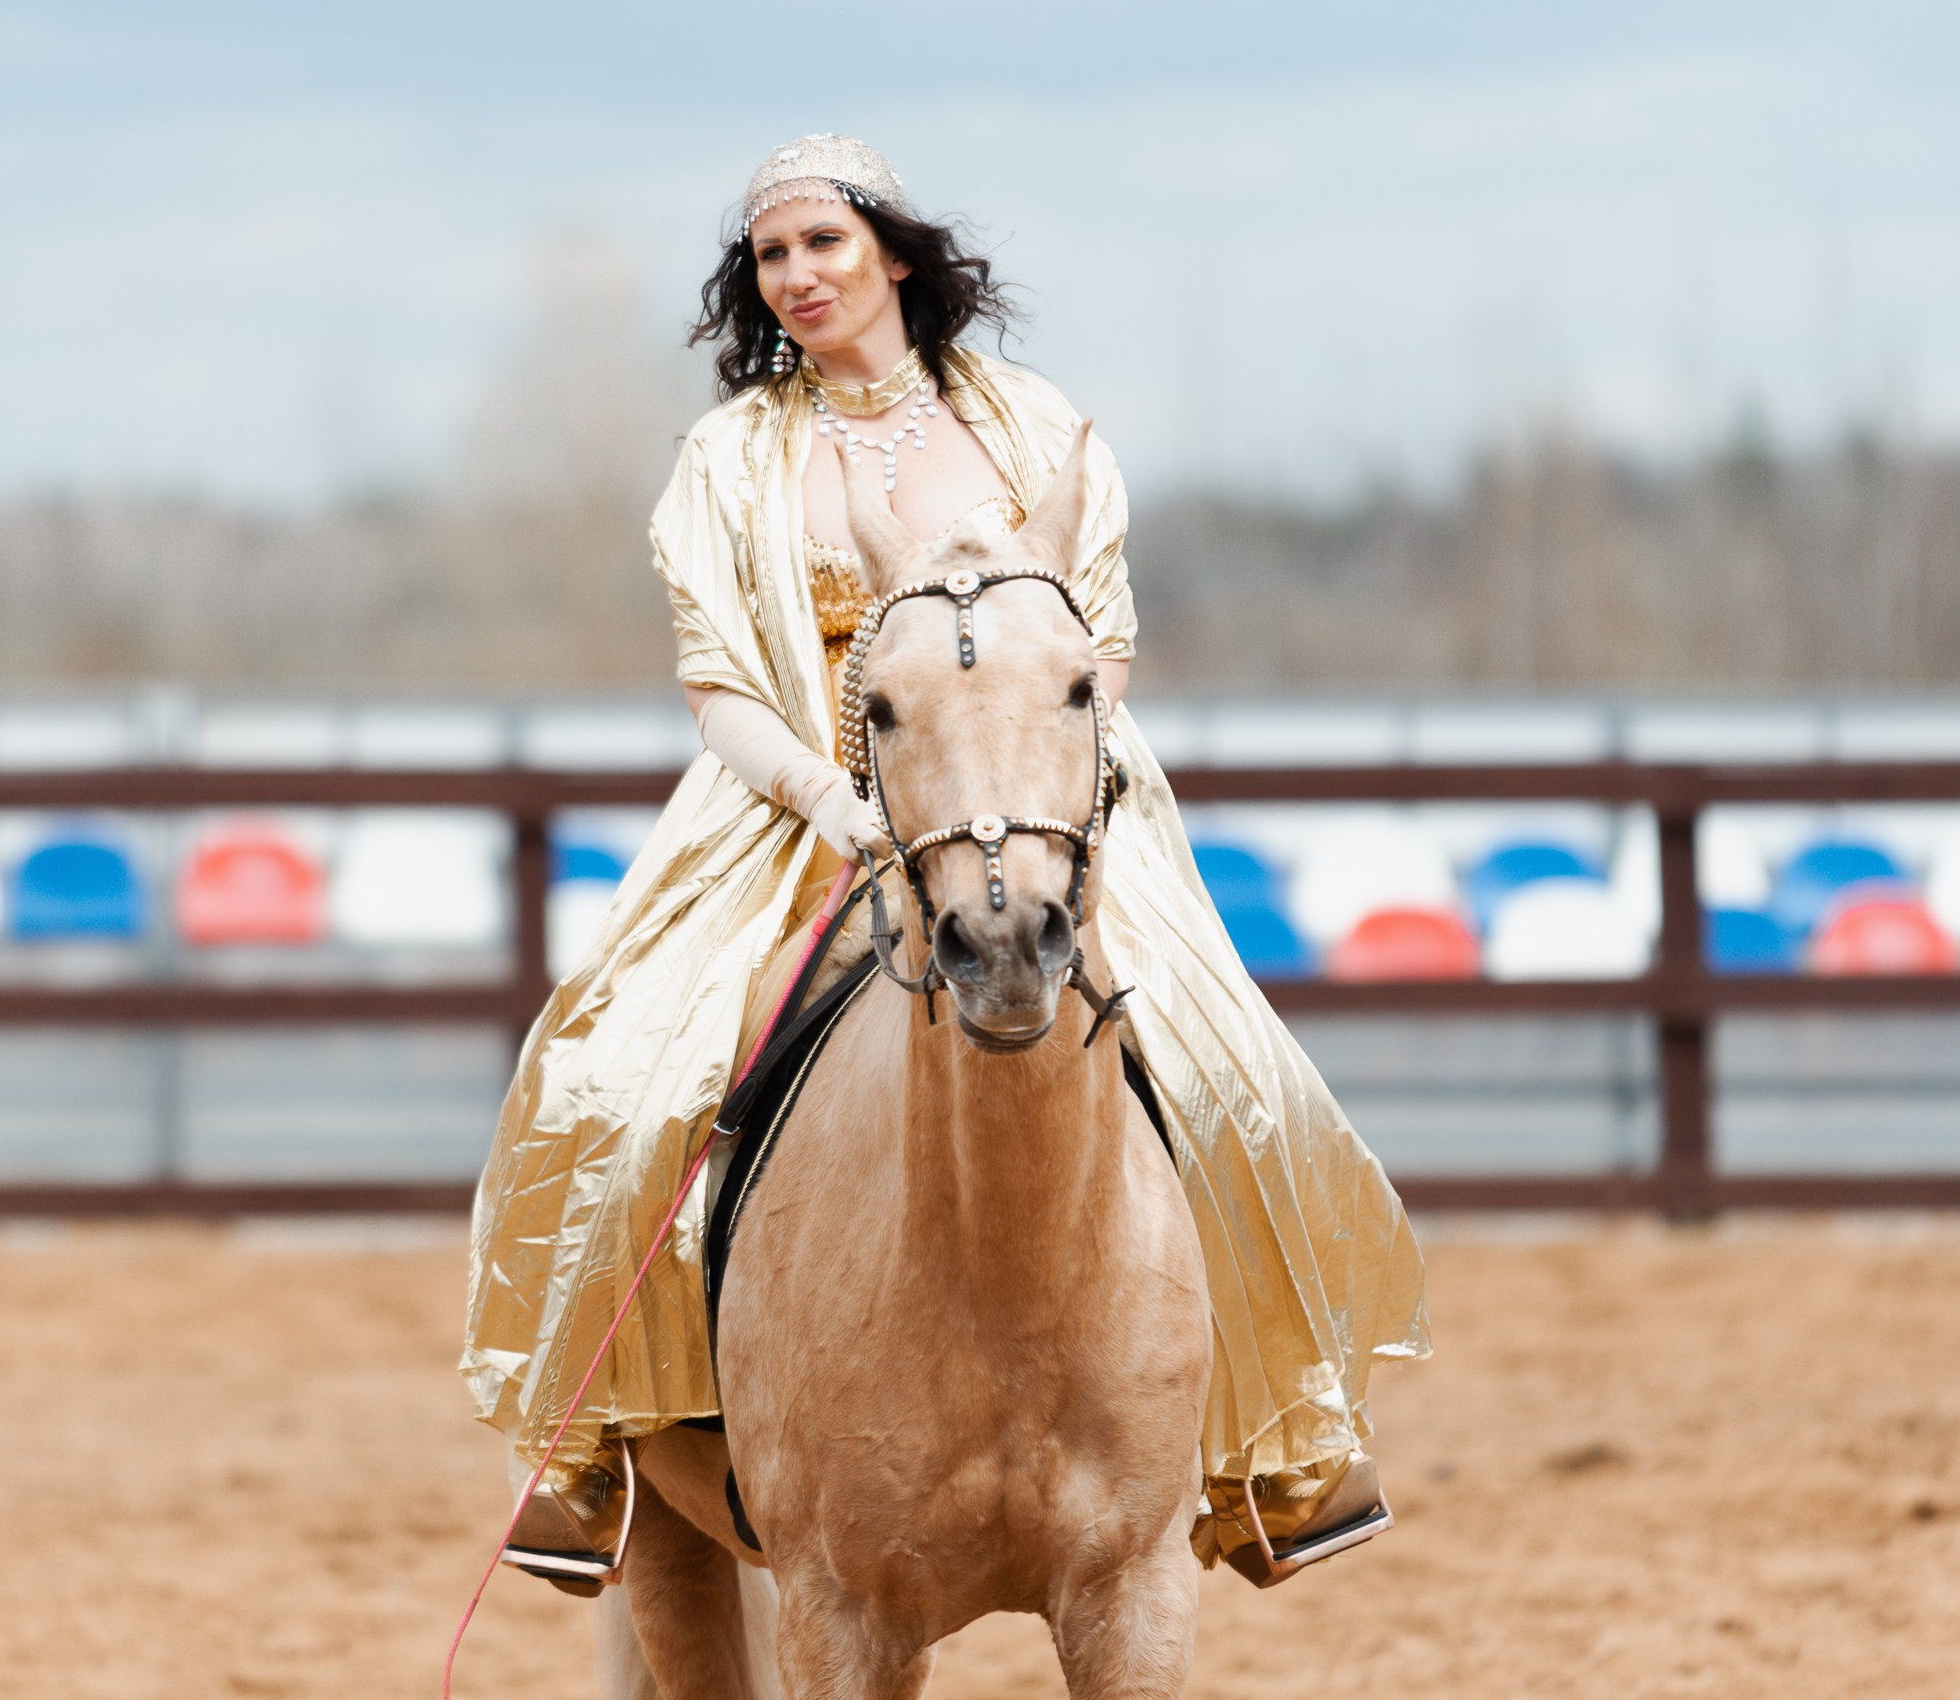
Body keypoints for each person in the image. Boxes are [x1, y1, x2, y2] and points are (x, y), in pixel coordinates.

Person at [461, 134, 1426, 1588]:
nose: (797, 278)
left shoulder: (1036, 428)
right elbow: (719, 683)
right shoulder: (730, 458)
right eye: (774, 256)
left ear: (894, 256)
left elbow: (1096, 650)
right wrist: (836, 801)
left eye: (825, 246)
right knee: (614, 1077)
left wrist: (1014, 786)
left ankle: (1279, 1444)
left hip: (1038, 794)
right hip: (798, 808)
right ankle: (590, 1445)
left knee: (1236, 1076)